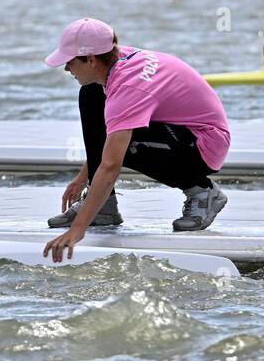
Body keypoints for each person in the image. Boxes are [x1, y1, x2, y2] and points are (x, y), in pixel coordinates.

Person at [42, 18, 231, 264]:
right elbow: (105, 137)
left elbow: (110, 164)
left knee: (122, 147)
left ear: (90, 59)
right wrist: (84, 178)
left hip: (204, 146)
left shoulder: (130, 88)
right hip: (182, 132)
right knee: (91, 94)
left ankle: (203, 192)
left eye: (69, 62)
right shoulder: (119, 58)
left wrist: (78, 229)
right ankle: (104, 206)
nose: (67, 69)